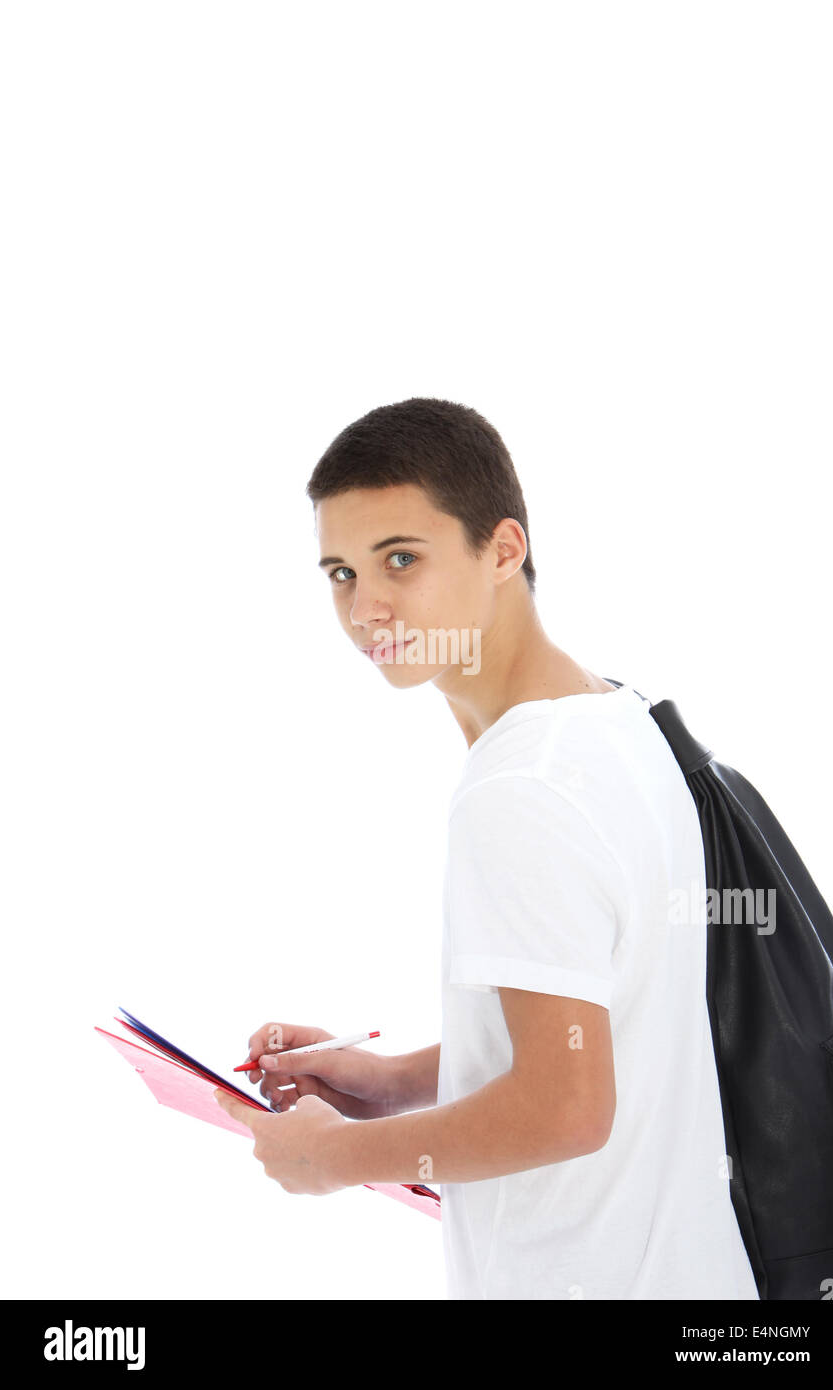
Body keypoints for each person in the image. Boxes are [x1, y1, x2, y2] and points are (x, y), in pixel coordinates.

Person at [215, 396, 760, 1300]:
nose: (366, 605)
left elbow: (566, 1108)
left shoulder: (519, 789)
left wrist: (334, 1157)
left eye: (401, 559)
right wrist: (393, 1083)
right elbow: (604, 1018)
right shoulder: (618, 719)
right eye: (341, 572)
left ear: (504, 549)